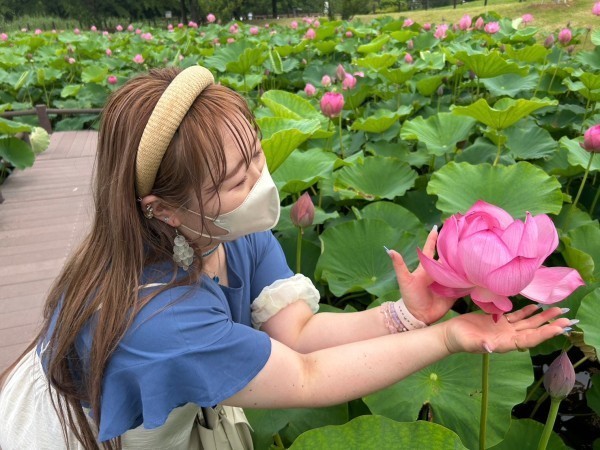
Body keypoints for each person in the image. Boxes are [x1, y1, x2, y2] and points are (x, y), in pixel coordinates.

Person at [0, 66, 571, 449]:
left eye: (256, 155)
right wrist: (448, 338)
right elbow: (304, 374)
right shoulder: (153, 315)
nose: (260, 185)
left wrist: (406, 315)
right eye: (235, 179)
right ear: (164, 210)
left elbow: (295, 333)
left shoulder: (227, 228)